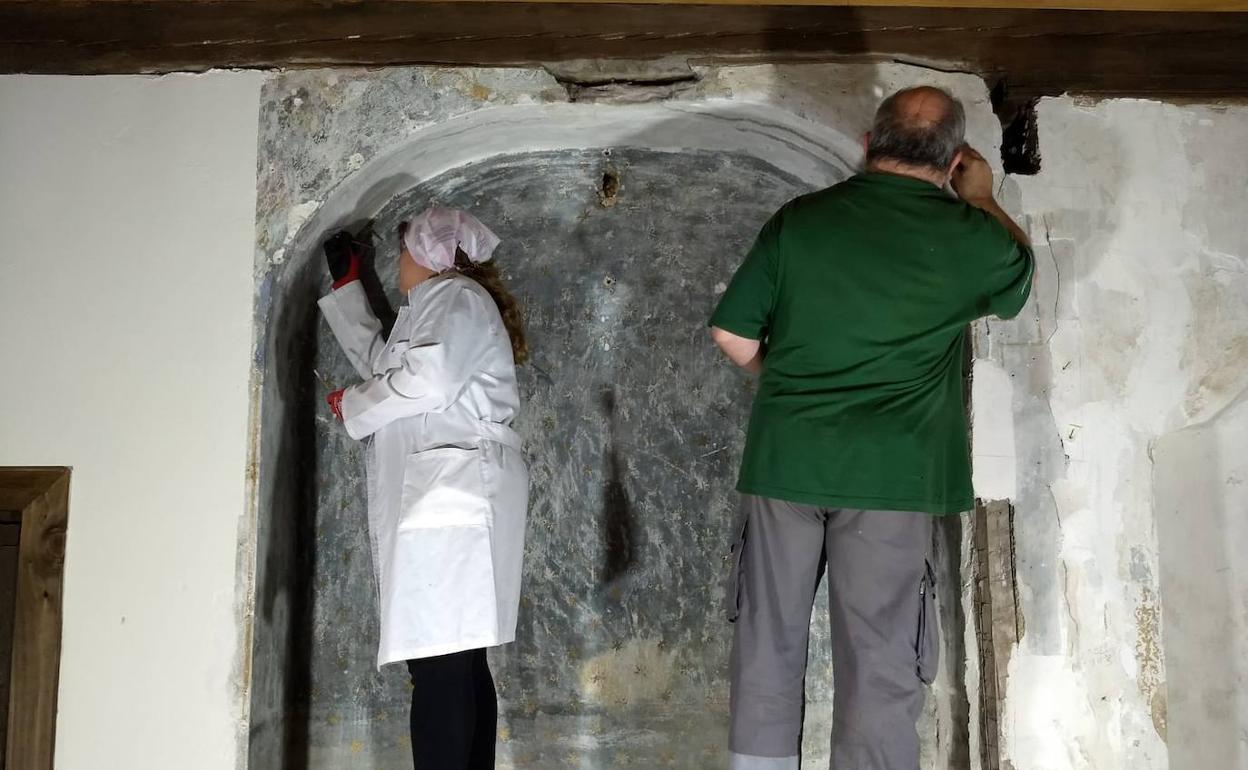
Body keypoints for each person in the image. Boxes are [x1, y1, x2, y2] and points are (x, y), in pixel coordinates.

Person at [709, 86, 1033, 770]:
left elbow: (732, 333)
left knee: (768, 643)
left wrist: (791, 383)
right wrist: (979, 197)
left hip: (786, 464)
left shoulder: (800, 221)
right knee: (883, 655)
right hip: (895, 475)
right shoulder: (968, 237)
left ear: (867, 143)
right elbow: (1018, 282)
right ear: (952, 160)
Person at [319, 206, 530, 770]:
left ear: (429, 255)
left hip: (451, 502)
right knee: (455, 660)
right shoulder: (440, 307)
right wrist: (348, 288)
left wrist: (354, 406)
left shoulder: (453, 297)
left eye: (402, 251)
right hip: (451, 499)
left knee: (440, 661)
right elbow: (385, 365)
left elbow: (424, 381)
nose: (397, 263)